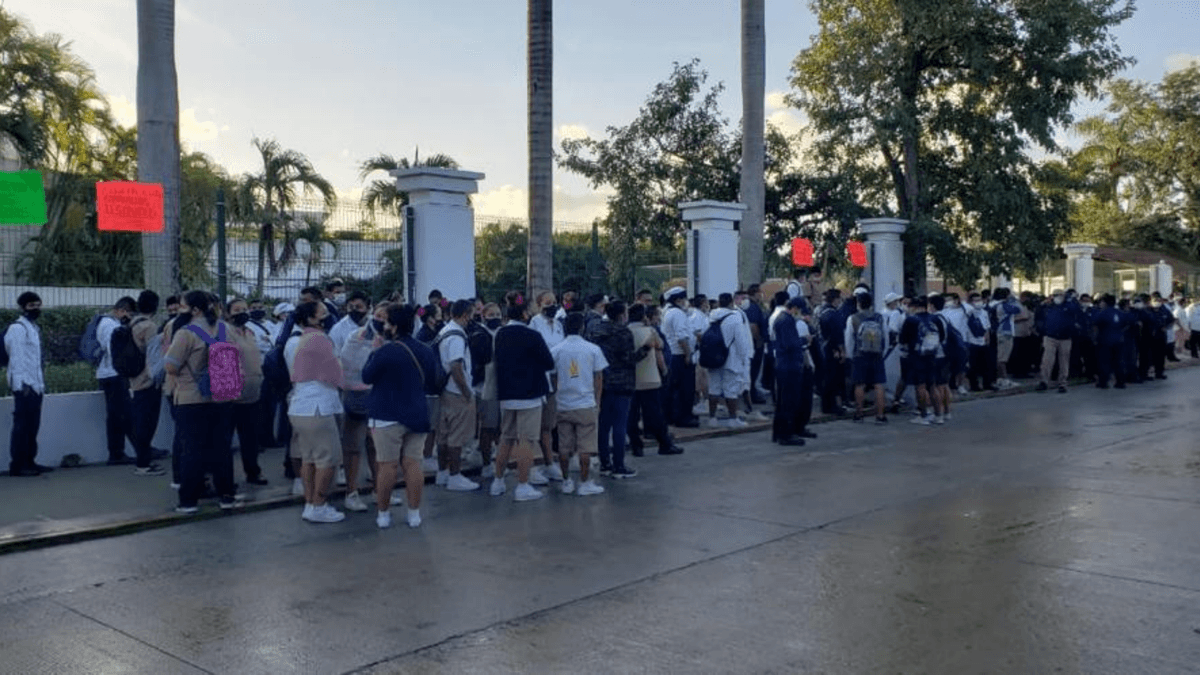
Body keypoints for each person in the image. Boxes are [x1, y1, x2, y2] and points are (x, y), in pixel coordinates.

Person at [362, 303, 439, 528]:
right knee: (413, 464)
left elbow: (367, 377)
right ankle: (414, 513)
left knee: (387, 466)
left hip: (385, 414)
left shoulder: (385, 351)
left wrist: (374, 351)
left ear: (393, 326)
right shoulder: (425, 350)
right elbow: (433, 380)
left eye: (386, 322)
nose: (384, 326)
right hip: (416, 412)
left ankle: (383, 514)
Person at [164, 291, 238, 513]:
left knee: (192, 450)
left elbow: (171, 366)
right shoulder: (226, 329)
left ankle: (188, 501)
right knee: (222, 448)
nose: (179, 310)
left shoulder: (186, 333)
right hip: (223, 397)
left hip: (192, 399)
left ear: (195, 310)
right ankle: (226, 496)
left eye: (183, 306)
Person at [285, 300, 345, 523]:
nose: (327, 316)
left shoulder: (300, 340)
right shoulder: (320, 339)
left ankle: (311, 503)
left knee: (309, 459)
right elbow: (335, 374)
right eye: (323, 313)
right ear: (311, 319)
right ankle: (319, 504)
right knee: (328, 459)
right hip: (318, 407)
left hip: (300, 405)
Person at [492, 299, 555, 500]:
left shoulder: (500, 334)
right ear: (525, 315)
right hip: (530, 395)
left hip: (507, 394)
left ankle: (498, 481)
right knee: (526, 441)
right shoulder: (532, 335)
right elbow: (548, 362)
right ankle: (523, 484)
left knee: (506, 438)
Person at [339, 301, 390, 512]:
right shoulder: (358, 337)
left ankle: (379, 491)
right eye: (378, 316)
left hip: (379, 397)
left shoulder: (390, 338)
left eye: (385, 318)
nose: (380, 321)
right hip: (357, 395)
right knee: (353, 447)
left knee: (375, 445)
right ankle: (351, 493)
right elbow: (352, 364)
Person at [551, 313, 609, 496]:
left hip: (563, 403)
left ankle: (566, 481)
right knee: (586, 447)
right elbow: (598, 377)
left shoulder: (556, 350)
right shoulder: (592, 349)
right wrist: (597, 401)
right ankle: (584, 482)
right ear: (582, 327)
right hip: (585, 402)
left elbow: (552, 377)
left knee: (564, 446)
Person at [585, 301, 645, 478]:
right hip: (622, 382)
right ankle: (619, 465)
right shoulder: (622, 332)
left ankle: (605, 463)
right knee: (619, 425)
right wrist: (646, 349)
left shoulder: (595, 330)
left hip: (601, 381)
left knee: (603, 425)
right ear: (621, 315)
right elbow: (628, 358)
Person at [434, 299, 481, 492]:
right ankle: (455, 475)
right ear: (464, 315)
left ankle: (443, 472)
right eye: (471, 314)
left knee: (444, 435)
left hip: (445, 390)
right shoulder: (457, 336)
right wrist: (466, 392)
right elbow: (456, 367)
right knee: (456, 436)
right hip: (456, 392)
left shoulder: (445, 331)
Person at [627, 304, 683, 457]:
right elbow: (660, 348)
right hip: (650, 378)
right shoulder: (650, 331)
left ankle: (636, 446)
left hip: (630, 380)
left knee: (631, 415)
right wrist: (664, 370)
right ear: (643, 316)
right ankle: (664, 443)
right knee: (655, 414)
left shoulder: (625, 332)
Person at [6, 292, 49, 477]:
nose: (36, 309)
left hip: (36, 385)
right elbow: (17, 359)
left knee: (33, 426)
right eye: (31, 306)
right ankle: (18, 465)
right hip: (25, 386)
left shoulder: (33, 328)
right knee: (22, 427)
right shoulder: (17, 328)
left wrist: (38, 384)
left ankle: (30, 461)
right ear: (23, 307)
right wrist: (22, 385)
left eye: (38, 305)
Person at [226, 299, 267, 486]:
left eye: (244, 309)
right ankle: (225, 478)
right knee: (225, 441)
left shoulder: (249, 333)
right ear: (228, 313)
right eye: (236, 310)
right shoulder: (225, 332)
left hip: (253, 394)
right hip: (232, 397)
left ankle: (253, 472)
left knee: (251, 439)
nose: (241, 313)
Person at [128, 290, 166, 476]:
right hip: (148, 381)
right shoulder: (150, 327)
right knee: (147, 424)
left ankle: (143, 462)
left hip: (135, 379)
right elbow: (153, 356)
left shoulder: (132, 323)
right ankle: (143, 464)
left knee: (141, 422)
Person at [96, 296, 138, 465]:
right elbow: (113, 348)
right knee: (125, 414)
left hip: (111, 373)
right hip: (113, 374)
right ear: (120, 310)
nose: (128, 316)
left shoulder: (109, 324)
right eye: (127, 312)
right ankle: (138, 449)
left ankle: (117, 452)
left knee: (116, 416)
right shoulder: (109, 325)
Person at [529, 290, 565, 482]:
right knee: (534, 424)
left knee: (549, 424)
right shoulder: (534, 323)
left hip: (556, 378)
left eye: (554, 302)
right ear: (539, 304)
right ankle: (535, 465)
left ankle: (549, 462)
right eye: (547, 303)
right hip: (540, 377)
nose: (551, 306)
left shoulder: (559, 325)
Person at [704, 293, 753, 428]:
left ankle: (712, 418)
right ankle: (733, 418)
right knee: (731, 389)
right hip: (731, 358)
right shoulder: (735, 317)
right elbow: (741, 341)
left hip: (713, 357)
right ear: (731, 302)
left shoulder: (711, 316)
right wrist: (745, 358)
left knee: (714, 388)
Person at [844, 292, 889, 423]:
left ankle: (859, 414)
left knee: (859, 385)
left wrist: (850, 356)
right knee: (879, 384)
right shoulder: (879, 317)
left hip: (860, 355)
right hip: (877, 355)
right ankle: (880, 415)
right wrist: (883, 352)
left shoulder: (853, 318)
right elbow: (885, 337)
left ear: (858, 304)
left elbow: (849, 340)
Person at [900, 297, 946, 426]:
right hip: (932, 355)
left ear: (913, 306)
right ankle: (939, 415)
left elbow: (903, 339)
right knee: (932, 385)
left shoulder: (910, 320)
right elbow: (942, 337)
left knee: (920, 386)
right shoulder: (936, 319)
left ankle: (923, 414)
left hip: (916, 356)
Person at [772, 297, 811, 445]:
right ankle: (786, 434)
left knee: (783, 401)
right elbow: (790, 344)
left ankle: (779, 432)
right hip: (789, 366)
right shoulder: (787, 321)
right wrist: (804, 340)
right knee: (789, 401)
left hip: (783, 365)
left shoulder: (781, 319)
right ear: (794, 308)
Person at [661, 287, 698, 427]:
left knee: (673, 388)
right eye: (684, 299)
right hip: (680, 355)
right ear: (678, 300)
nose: (686, 302)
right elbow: (681, 336)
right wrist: (688, 354)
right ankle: (683, 417)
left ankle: (671, 416)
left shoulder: (668, 312)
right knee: (685, 389)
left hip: (673, 355)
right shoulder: (677, 314)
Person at [989, 288, 1021, 389]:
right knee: (1002, 358)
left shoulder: (992, 304)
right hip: (1005, 331)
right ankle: (1003, 379)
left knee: (999, 356)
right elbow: (1018, 309)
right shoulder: (1003, 305)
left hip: (996, 331)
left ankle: (999, 378)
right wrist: (1013, 299)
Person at [1093, 294, 1126, 389]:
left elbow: (1095, 324)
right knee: (1119, 361)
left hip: (1105, 340)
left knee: (1104, 362)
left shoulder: (1102, 313)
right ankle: (1120, 382)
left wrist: (1095, 339)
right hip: (1119, 340)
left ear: (1105, 302)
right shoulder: (1120, 313)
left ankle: (1103, 382)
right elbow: (1126, 323)